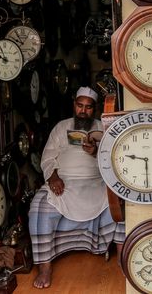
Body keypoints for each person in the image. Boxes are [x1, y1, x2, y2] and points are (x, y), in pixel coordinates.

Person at [28, 86, 125, 289]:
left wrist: (96, 152)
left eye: (88, 107)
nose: (83, 111)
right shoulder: (61, 127)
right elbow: (47, 158)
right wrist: (53, 177)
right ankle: (45, 267)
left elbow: (117, 160)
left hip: (96, 183)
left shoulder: (104, 128)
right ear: (74, 105)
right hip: (64, 182)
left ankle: (122, 256)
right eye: (80, 106)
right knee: (39, 207)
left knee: (120, 202)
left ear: (95, 109)